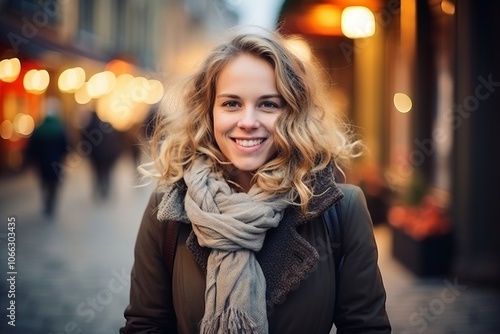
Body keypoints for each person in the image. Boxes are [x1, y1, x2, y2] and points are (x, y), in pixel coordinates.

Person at [120, 27, 391, 334]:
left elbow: (366, 328)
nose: (248, 122)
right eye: (231, 103)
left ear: (293, 112)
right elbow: (146, 325)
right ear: (208, 113)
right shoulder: (169, 207)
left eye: (268, 104)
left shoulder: (341, 210)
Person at [27, 96, 68, 217]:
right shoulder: (60, 128)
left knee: (44, 182)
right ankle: (52, 202)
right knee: (54, 183)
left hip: (42, 163)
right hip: (56, 162)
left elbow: (32, 147)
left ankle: (46, 202)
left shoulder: (39, 129)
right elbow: (65, 146)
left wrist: (32, 160)